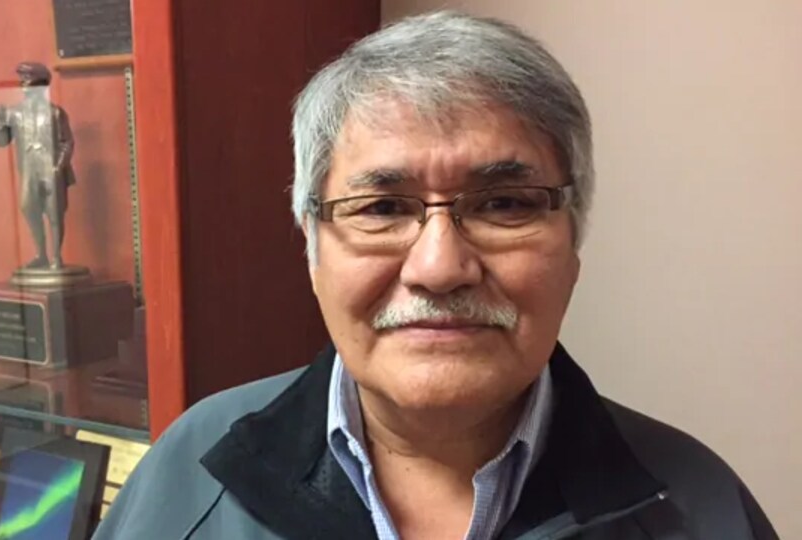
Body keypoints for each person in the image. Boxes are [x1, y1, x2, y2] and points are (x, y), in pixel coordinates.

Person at [94, 12, 778, 540]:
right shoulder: (190, 471)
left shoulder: (699, 504)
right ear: (313, 246)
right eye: (384, 208)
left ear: (574, 245)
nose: (439, 266)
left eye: (505, 204)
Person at [0, 61, 75, 270]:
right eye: (23, 85)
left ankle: (56, 257)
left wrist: (59, 167)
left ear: (41, 87)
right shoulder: (15, 113)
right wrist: (1, 123)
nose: (25, 90)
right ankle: (41, 254)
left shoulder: (55, 113)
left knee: (54, 213)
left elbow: (67, 142)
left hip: (50, 169)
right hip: (29, 170)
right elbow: (1, 142)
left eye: (29, 86)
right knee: (28, 207)